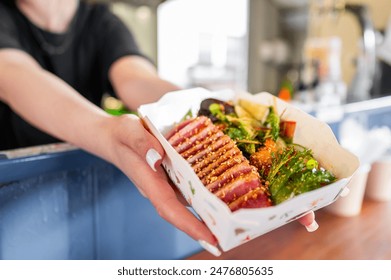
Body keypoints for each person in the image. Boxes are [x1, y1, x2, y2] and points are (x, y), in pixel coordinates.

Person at [0, 0, 319, 256]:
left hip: (78, 188)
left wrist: (205, 108)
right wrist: (106, 132)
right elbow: (15, 75)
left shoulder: (102, 22)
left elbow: (136, 78)